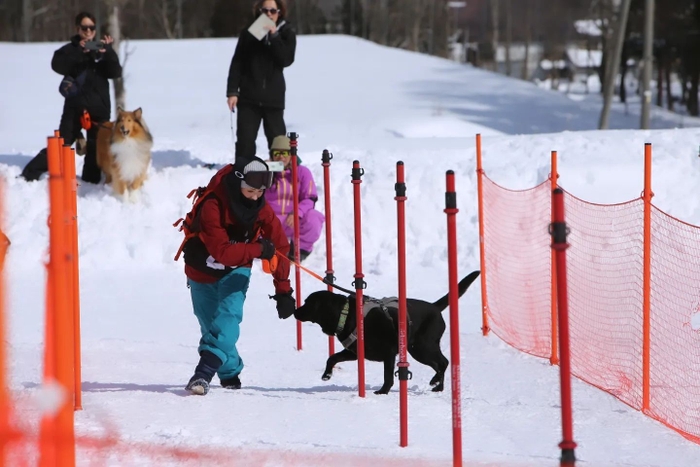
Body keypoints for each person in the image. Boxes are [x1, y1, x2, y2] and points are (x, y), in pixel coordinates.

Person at [182, 156, 296, 395]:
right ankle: (230, 369)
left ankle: (202, 374)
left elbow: (281, 248)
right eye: (251, 190)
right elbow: (222, 252)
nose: (256, 196)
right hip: (201, 270)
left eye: (261, 191)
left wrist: (283, 290)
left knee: (229, 318)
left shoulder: (261, 208)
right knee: (211, 326)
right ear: (238, 184)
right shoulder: (212, 206)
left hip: (237, 271)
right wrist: (258, 249)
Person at [20, 11, 122, 183]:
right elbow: (56, 65)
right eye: (84, 28)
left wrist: (109, 52)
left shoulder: (101, 50)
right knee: (61, 145)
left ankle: (91, 183)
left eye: (91, 28)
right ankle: (28, 175)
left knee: (95, 148)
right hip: (75, 108)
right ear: (77, 29)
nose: (88, 31)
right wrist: (78, 51)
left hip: (99, 109)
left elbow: (115, 72)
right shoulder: (70, 50)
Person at [226, 0, 296, 160]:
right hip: (249, 98)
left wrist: (274, 36)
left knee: (278, 143)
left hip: (273, 99)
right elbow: (238, 62)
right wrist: (232, 91)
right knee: (245, 141)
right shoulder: (249, 33)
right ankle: (244, 176)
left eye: (273, 11)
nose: (269, 14)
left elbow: (286, 59)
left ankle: (278, 177)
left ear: (280, 12)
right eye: (265, 11)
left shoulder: (287, 32)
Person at [264, 135, 324, 263]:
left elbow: (310, 198)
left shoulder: (302, 172)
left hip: (293, 220)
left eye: (285, 153)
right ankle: (263, 249)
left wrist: (298, 213)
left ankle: (299, 251)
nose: (281, 157)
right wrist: (262, 169)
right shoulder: (265, 171)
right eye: (277, 153)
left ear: (291, 154)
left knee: (314, 218)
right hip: (270, 221)